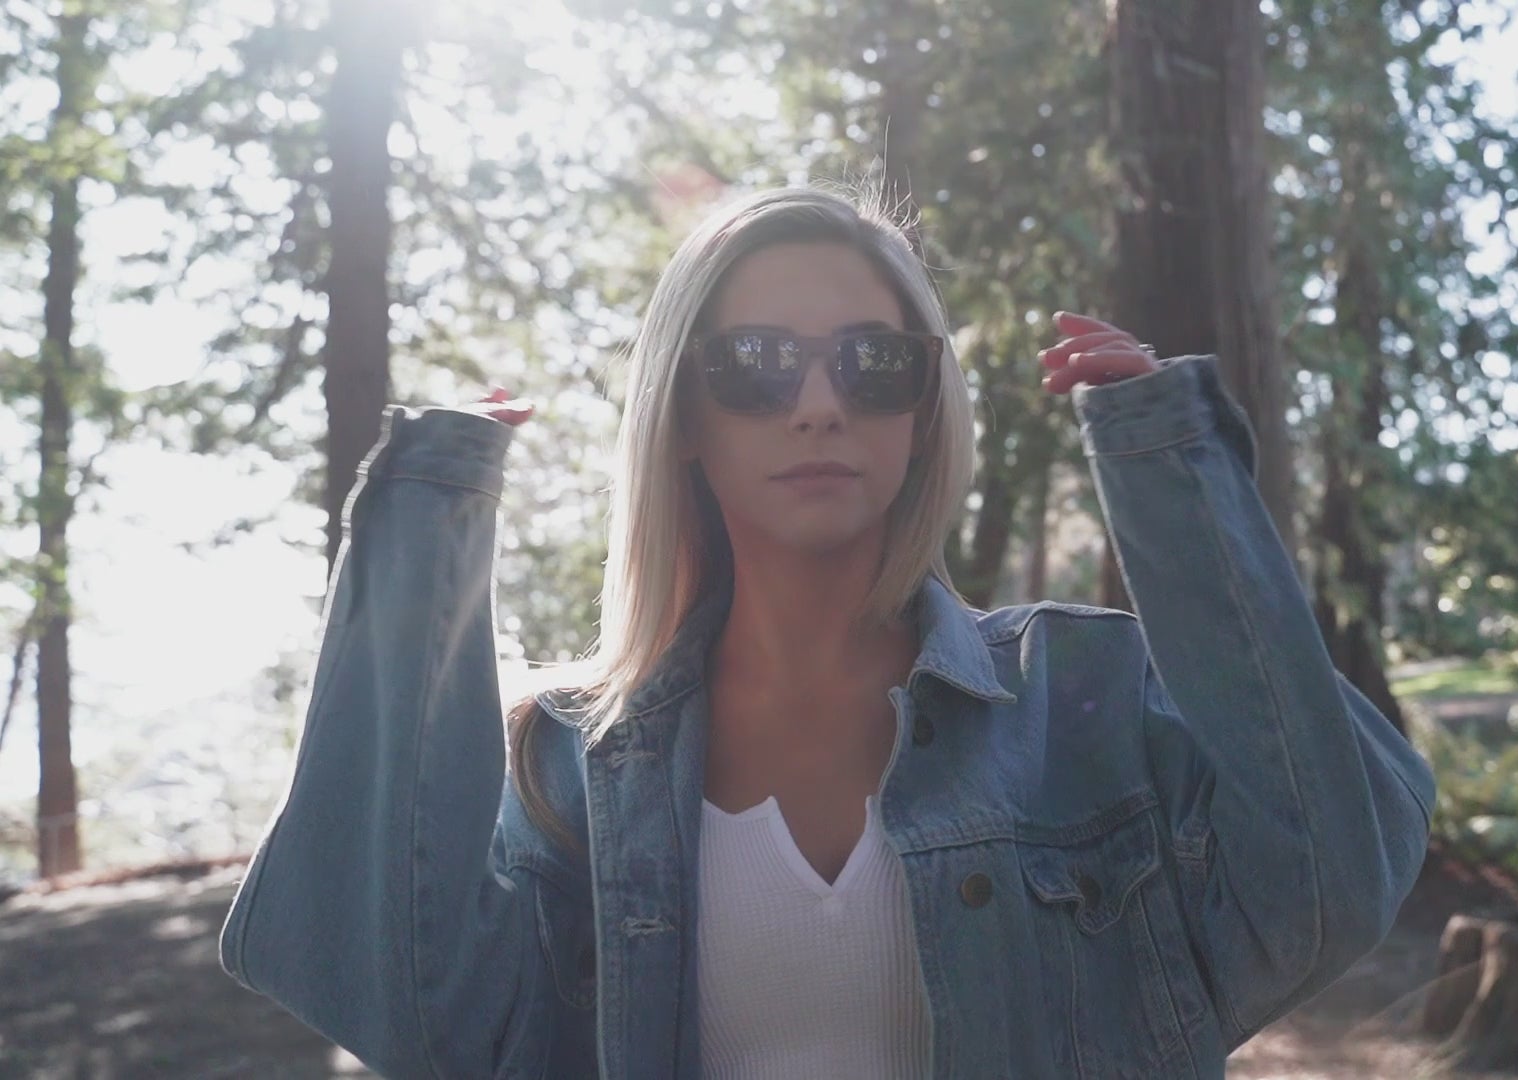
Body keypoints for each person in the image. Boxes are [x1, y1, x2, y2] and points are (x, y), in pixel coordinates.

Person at [218, 182, 1435, 1079]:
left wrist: (1177, 472)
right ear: (684, 412)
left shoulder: (1087, 692)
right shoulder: (558, 768)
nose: (816, 406)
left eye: (872, 363)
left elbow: (1330, 878)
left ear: (923, 411)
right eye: (753, 363)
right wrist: (424, 522)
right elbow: (386, 990)